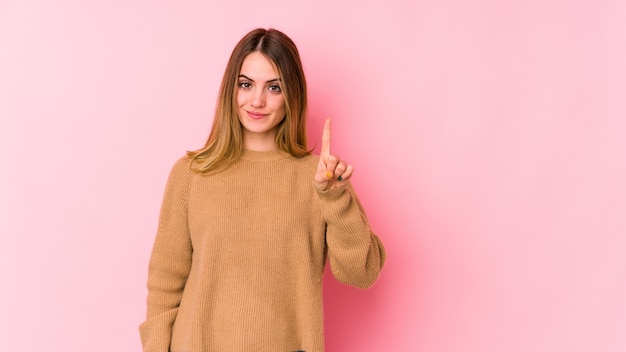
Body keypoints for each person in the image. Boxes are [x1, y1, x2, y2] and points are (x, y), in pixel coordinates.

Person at [139, 28, 386, 352]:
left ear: (292, 94)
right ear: (231, 90)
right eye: (246, 84)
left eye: (274, 87)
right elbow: (165, 283)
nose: (257, 100)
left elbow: (361, 273)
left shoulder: (320, 177)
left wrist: (335, 196)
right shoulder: (191, 174)